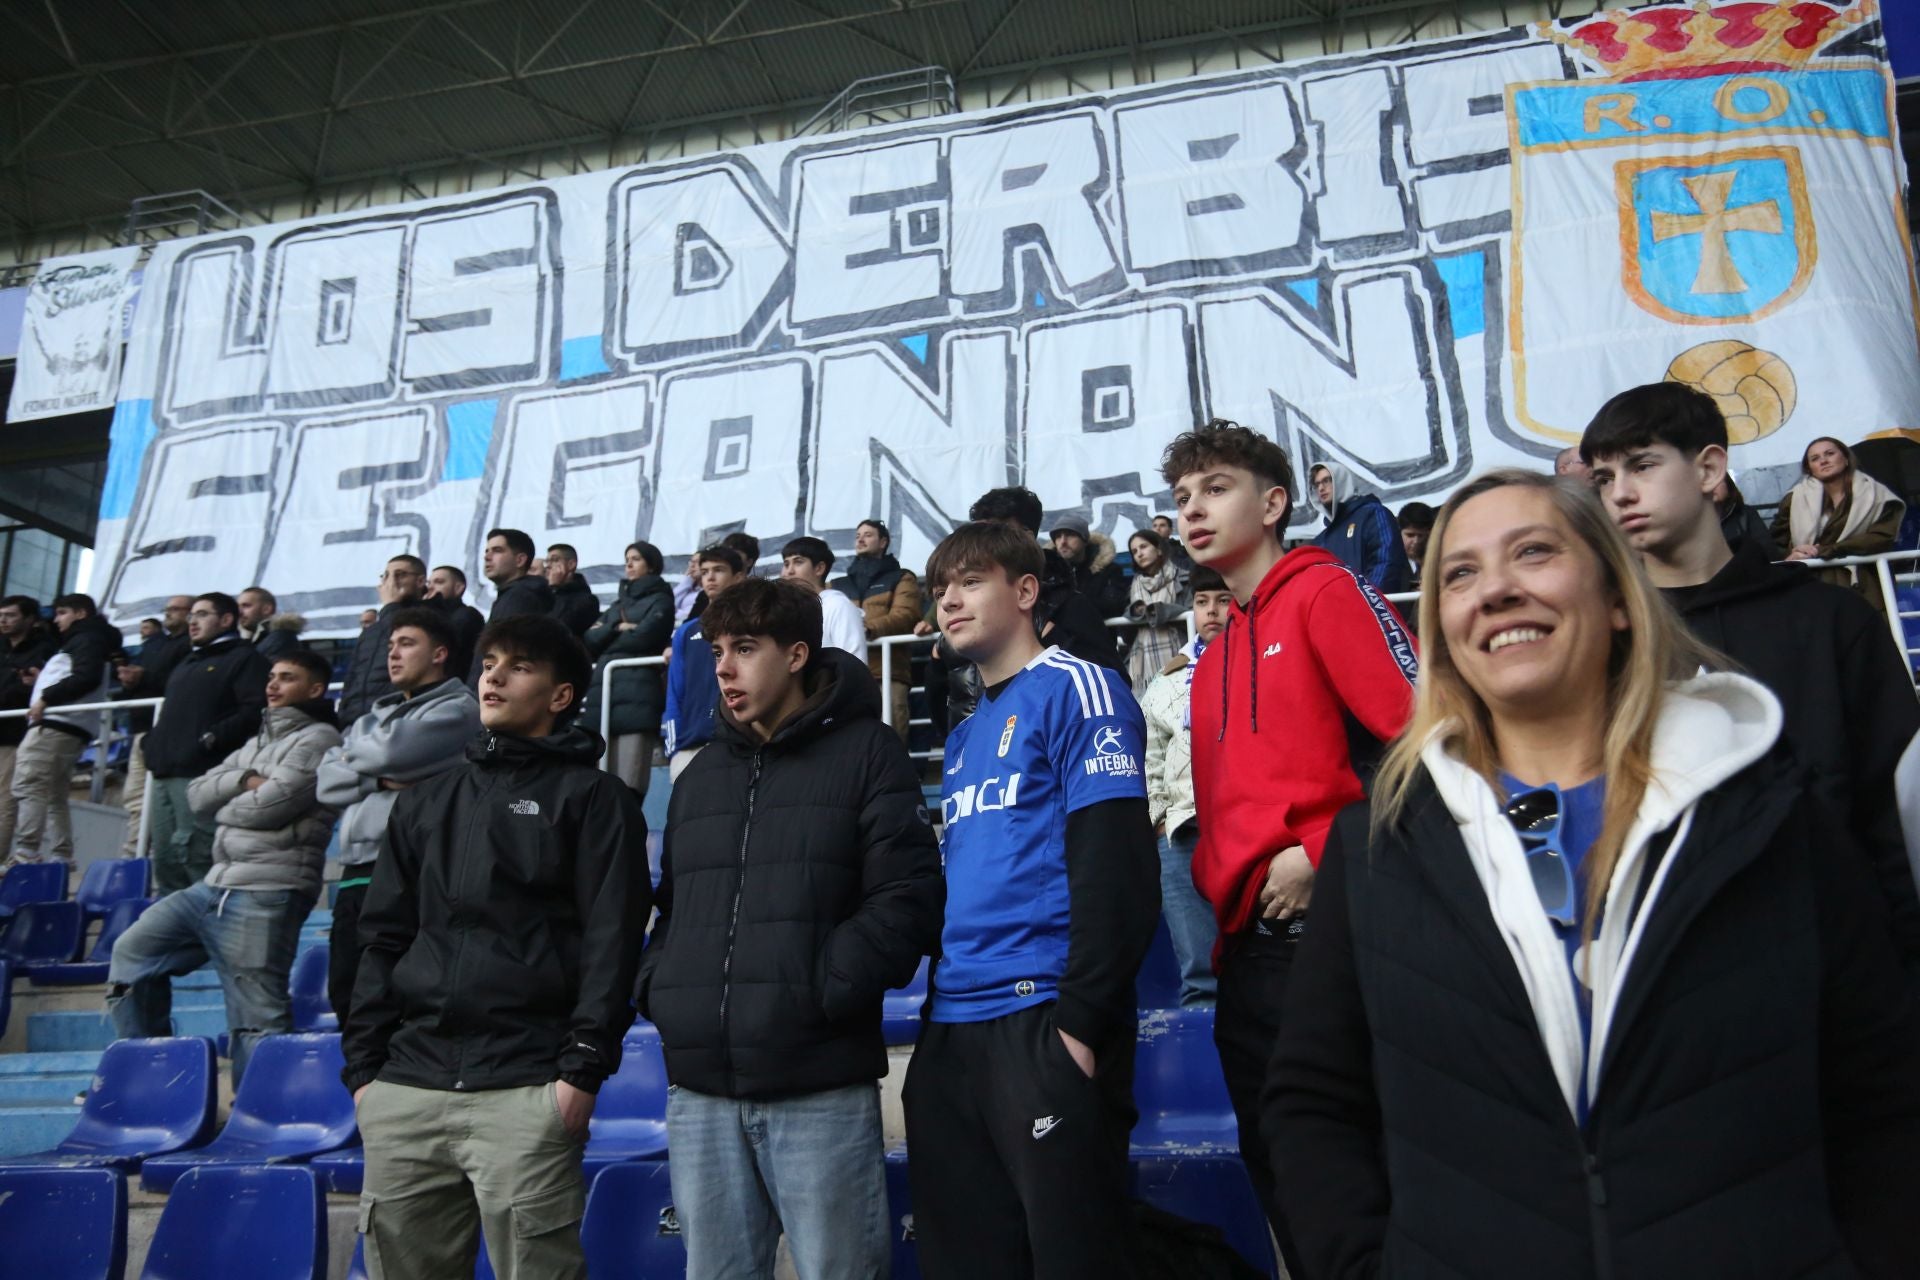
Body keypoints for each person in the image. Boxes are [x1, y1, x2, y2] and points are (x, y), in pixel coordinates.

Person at [1267, 468, 1920, 1278]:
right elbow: (1314, 1105)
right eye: (1460, 574)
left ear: (1618, 598)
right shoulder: (1378, 850)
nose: (1495, 590)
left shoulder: (1772, 814)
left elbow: (1882, 1088)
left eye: (1533, 553)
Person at [1161, 420, 1418, 1272]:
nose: (1193, 509)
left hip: (1343, 940)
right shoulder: (1213, 650)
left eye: (1216, 488)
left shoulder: (1328, 592)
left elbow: (1434, 745)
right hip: (1248, 954)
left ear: (1274, 504)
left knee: (1375, 1188)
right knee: (1296, 1192)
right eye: (1182, 498)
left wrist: (1325, 849)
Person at [638, 577, 943, 1278]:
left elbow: (908, 896)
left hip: (817, 1086)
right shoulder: (700, 775)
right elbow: (675, 908)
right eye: (717, 649)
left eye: (746, 648)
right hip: (700, 1091)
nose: (723, 667)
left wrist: (821, 992)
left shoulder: (869, 754)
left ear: (799, 653)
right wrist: (663, 988)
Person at [344, 616, 649, 1280]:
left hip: (527, 1086)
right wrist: (365, 1071)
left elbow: (613, 942)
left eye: (519, 666)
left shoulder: (596, 799)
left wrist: (579, 1074)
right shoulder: (428, 801)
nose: (494, 676)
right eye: (489, 664)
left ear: (561, 695)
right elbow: (382, 938)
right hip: (407, 1087)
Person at [1582, 383, 1920, 970]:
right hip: (1673, 977)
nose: (1622, 494)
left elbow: (1893, 808)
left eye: (1642, 465)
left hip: (1846, 966)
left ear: (1710, 469)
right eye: (1604, 478)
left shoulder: (1831, 621)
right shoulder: (1600, 645)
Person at [905, 520, 1159, 1280]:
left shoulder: (1079, 688)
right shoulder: (961, 737)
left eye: (970, 581)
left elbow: (1119, 867)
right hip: (952, 1031)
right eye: (941, 587)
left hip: (1043, 1018)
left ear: (1024, 592)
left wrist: (1079, 1028)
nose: (949, 600)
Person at [108, 650, 341, 1086]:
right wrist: (242, 781)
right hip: (215, 885)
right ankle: (149, 1081)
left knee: (257, 1017)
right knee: (132, 954)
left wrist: (229, 800)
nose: (273, 685)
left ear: (314, 690)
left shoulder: (321, 739)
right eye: (271, 676)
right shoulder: (257, 741)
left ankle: (259, 1112)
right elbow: (197, 795)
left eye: (286, 677)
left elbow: (269, 809)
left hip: (267, 888)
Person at [316, 607, 480, 1022]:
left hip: (410, 870)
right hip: (355, 870)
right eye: (390, 646)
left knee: (391, 997)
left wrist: (352, 757)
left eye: (406, 644)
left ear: (439, 653)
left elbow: (389, 752)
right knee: (347, 994)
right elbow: (325, 783)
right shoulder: (372, 718)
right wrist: (379, 781)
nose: (393, 654)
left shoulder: (458, 708)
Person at [923, 486, 1121, 735]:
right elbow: (939, 699)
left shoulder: (1067, 606)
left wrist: (1051, 642)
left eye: (971, 582)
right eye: (939, 593)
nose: (949, 601)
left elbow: (1106, 690)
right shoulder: (957, 625)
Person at [1140, 564, 1231, 1007]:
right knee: (1199, 976)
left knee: (1263, 967)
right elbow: (1150, 755)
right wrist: (1159, 822)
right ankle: (1209, 1075)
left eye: (1223, 600)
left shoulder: (1263, 660)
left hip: (1244, 829)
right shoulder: (1168, 678)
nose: (1211, 611)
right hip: (1179, 835)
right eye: (1201, 602)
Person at [142, 593, 272, 894]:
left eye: (201, 614)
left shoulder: (245, 659)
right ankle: (176, 937)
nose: (192, 622)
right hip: (164, 773)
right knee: (166, 861)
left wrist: (210, 739)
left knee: (197, 857)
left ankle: (206, 930)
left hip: (202, 774)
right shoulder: (187, 661)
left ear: (226, 620)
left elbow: (255, 710)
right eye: (191, 616)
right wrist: (151, 744)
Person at [7, 594, 115, 866]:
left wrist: (46, 696)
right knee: (54, 795)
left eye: (62, 613)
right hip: (70, 725)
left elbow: (85, 676)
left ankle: (26, 851)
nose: (56, 620)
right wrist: (39, 683)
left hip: (56, 724)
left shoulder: (86, 638)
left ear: (80, 614)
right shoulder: (90, 639)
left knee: (28, 784)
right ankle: (60, 855)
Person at [580, 541, 676, 798]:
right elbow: (589, 640)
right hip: (604, 698)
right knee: (596, 785)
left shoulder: (661, 601)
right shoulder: (617, 606)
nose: (629, 565)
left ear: (652, 565)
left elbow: (645, 638)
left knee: (627, 786)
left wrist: (610, 635)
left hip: (638, 698)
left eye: (636, 559)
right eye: (627, 559)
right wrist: (617, 628)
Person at [1772, 437, 1906, 604]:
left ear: (1846, 458)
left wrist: (1827, 550)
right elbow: (1776, 542)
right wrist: (1793, 554)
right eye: (1815, 458)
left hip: (1865, 582)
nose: (1823, 461)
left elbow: (1881, 537)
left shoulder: (1877, 494)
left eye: (1830, 453)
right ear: (1809, 468)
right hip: (1812, 584)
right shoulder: (1794, 499)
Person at [112, 594, 192, 855]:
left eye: (176, 609)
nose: (169, 614)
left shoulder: (191, 644)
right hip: (141, 727)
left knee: (161, 799)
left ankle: (158, 857)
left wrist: (144, 676)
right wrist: (130, 682)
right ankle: (132, 856)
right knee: (135, 799)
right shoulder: (155, 646)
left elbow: (178, 682)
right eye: (167, 609)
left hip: (167, 728)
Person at [663, 544, 746, 781]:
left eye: (718, 570)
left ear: (739, 576)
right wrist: (674, 748)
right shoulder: (687, 632)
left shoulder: (753, 626)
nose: (710, 577)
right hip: (689, 748)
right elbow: (675, 693)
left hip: (739, 744)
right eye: (705, 570)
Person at [836, 519, 924, 742]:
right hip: (846, 675)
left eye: (867, 535)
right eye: (857, 536)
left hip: (888, 671)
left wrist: (866, 629)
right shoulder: (838, 585)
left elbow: (906, 616)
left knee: (892, 735)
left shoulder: (902, 577)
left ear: (883, 542)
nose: (860, 540)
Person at [340, 556, 435, 723]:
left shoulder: (432, 619)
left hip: (396, 719)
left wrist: (391, 605)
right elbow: (351, 679)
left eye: (400, 575)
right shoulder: (371, 631)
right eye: (386, 576)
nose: (391, 582)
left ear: (420, 581)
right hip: (353, 723)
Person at [0, 596, 56, 861]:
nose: (3, 620)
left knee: (4, 800)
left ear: (30, 619)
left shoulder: (45, 649)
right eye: (1, 615)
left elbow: (32, 692)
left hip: (13, 733)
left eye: (11, 615)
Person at [1308, 460, 1413, 593]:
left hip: (1374, 609)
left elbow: (1387, 562)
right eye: (1317, 484)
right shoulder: (1321, 541)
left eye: (1327, 480)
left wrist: (1368, 603)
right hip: (1340, 611)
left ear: (1341, 481)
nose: (1321, 488)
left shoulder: (1373, 514)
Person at [1121, 529, 1189, 695]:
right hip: (1141, 660)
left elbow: (1192, 613)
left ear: (1159, 549)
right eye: (1134, 551)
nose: (1139, 554)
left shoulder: (1183, 578)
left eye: (1143, 546)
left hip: (1179, 653)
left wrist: (1161, 611)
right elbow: (1125, 633)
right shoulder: (1133, 586)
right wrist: (1134, 612)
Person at [778, 536, 867, 663]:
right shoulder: (785, 611)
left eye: (798, 562)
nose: (789, 571)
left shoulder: (837, 605)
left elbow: (855, 663)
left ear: (819, 568)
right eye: (786, 564)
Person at [478, 529, 555, 660]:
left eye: (497, 550)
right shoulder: (513, 594)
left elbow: (502, 654)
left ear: (520, 560)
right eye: (487, 551)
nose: (487, 557)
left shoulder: (520, 597)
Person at [1048, 514, 1128, 620]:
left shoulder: (1109, 570)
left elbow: (1114, 606)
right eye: (1058, 537)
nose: (1062, 542)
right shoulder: (1048, 575)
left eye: (1070, 535)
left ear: (1084, 540)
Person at [426, 564, 485, 679]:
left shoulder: (466, 616)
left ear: (458, 588)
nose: (430, 587)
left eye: (439, 582)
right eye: (429, 583)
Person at [545, 543, 600, 638]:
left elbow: (557, 629)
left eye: (555, 560)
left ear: (571, 564)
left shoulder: (587, 600)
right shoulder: (544, 593)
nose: (548, 566)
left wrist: (556, 588)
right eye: (547, 562)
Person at [237, 585, 303, 662]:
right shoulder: (254, 639)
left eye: (246, 606)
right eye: (237, 607)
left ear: (266, 609)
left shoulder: (281, 639)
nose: (239, 612)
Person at [1713, 472, 1773, 555]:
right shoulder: (1696, 522)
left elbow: (1768, 552)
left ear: (1728, 484)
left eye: (1717, 480)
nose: (1712, 486)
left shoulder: (1745, 514)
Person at [1397, 500, 1436, 585]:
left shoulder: (1439, 560)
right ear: (1399, 532)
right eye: (1410, 535)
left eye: (1421, 535)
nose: (1416, 541)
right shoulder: (1390, 564)